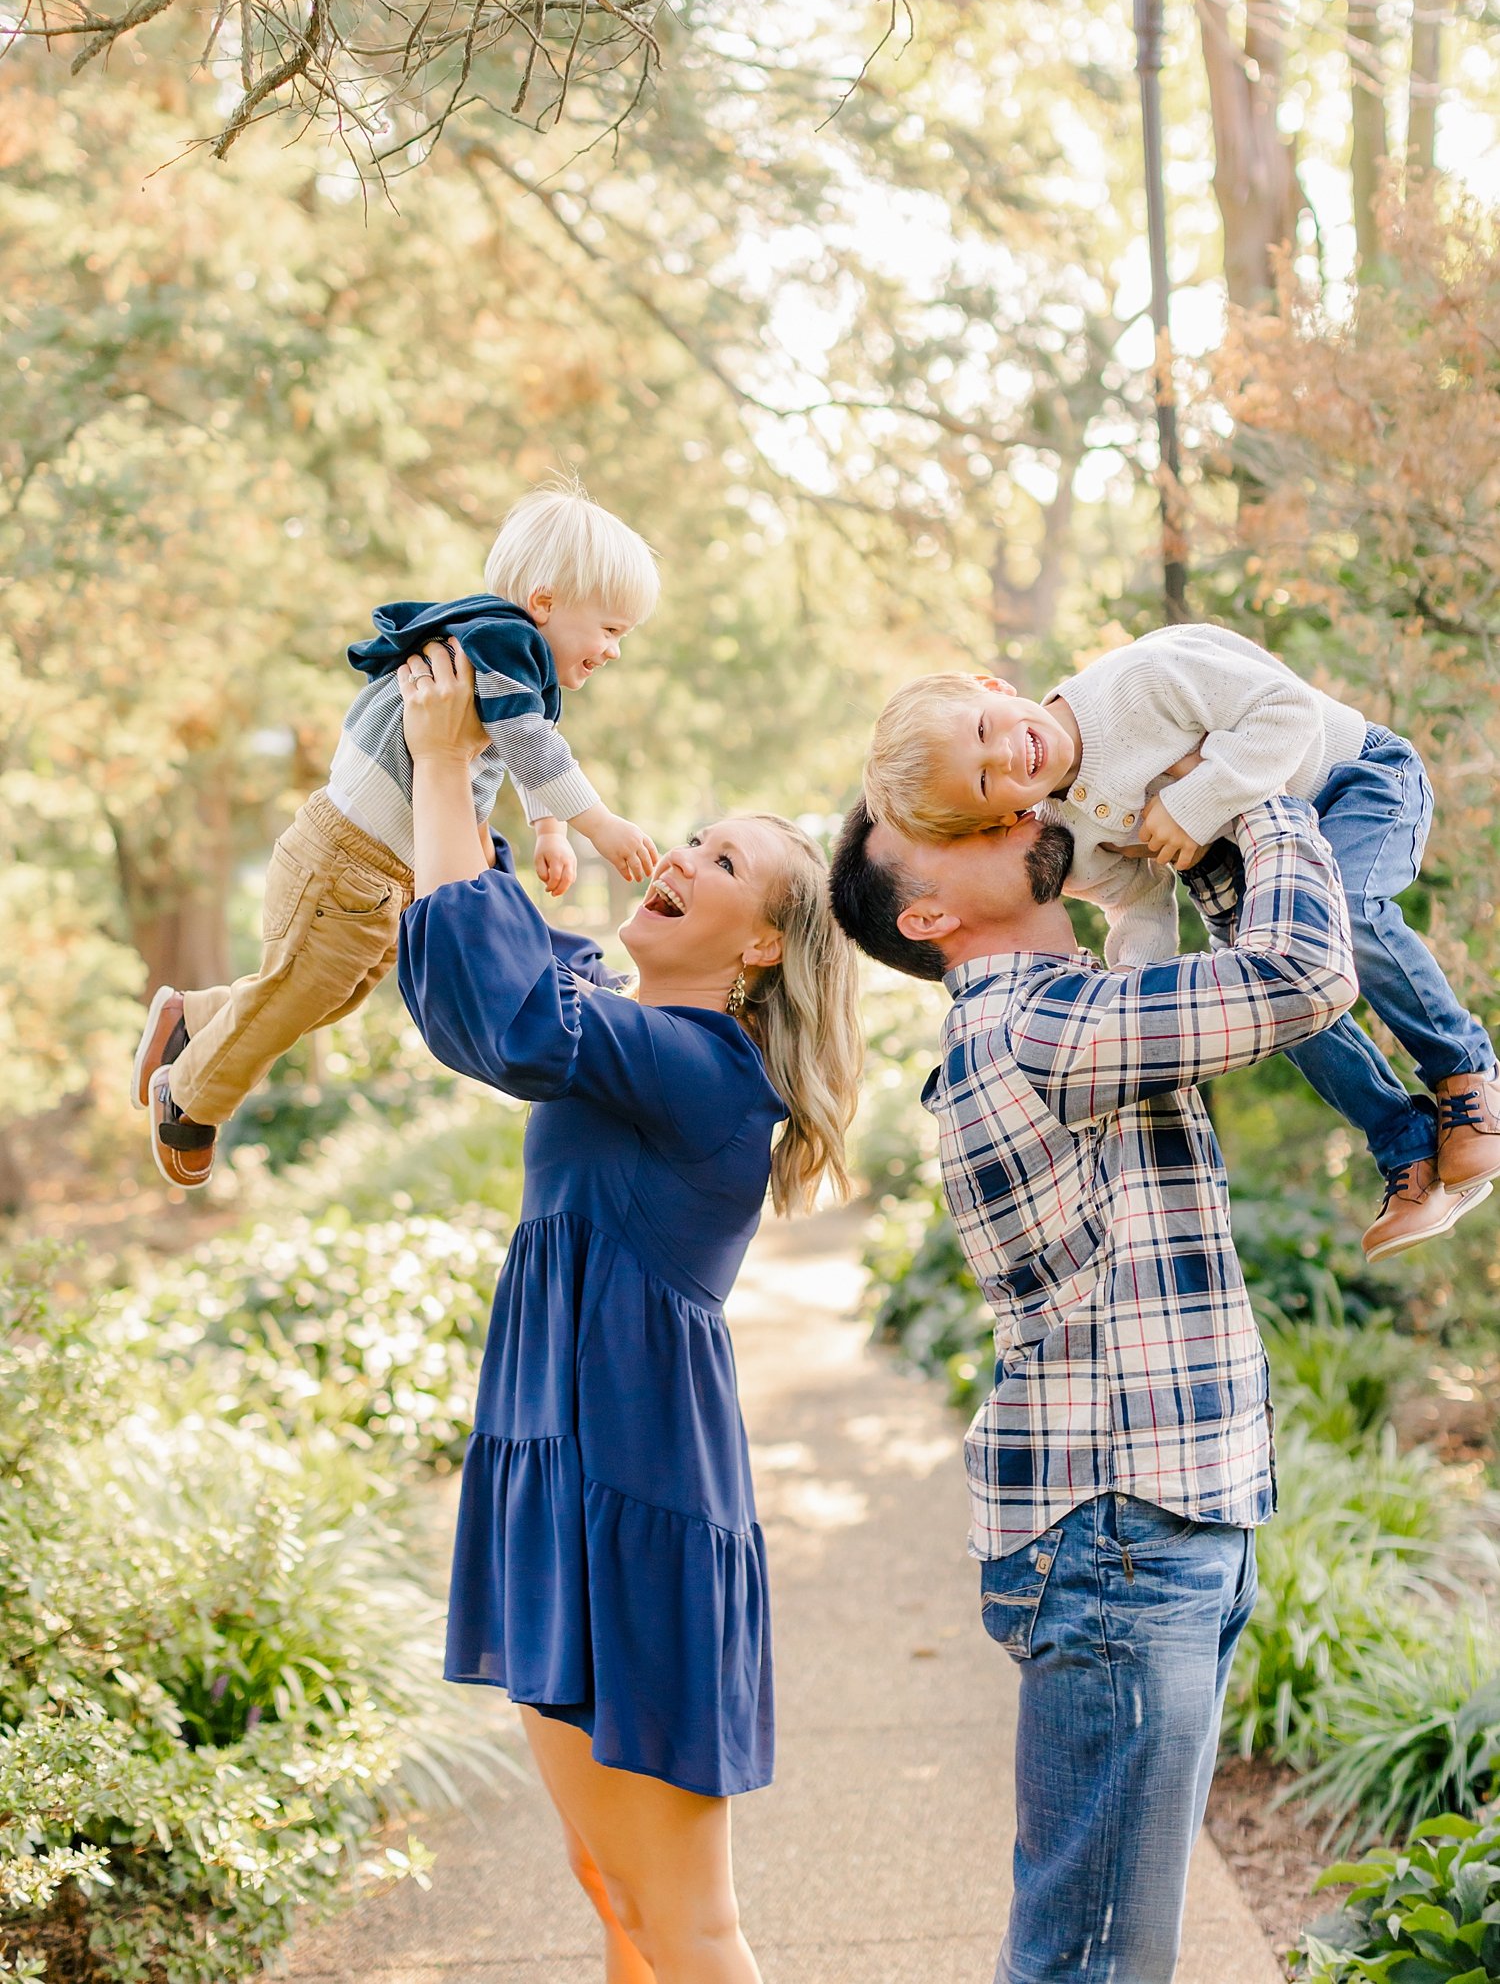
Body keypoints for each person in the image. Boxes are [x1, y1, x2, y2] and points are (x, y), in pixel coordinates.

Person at [828, 788, 1359, 1984]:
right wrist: (1260, 794)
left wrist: (1147, 867)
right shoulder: (1040, 1026)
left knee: (1099, 1950)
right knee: (1095, 1963)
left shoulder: (1073, 1014)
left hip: (1158, 1521)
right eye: (955, 832)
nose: (1000, 814)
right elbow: (1302, 977)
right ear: (925, 919)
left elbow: (1199, 965)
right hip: (1127, 1537)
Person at [396, 637, 863, 1984]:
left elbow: (511, 1011)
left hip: (638, 1490)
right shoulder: (619, 1012)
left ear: (765, 944)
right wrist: (468, 780)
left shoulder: (712, 1072)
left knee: (688, 1921)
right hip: (560, 1469)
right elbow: (464, 973)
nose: (678, 859)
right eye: (694, 838)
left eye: (721, 865)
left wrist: (444, 763)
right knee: (608, 1886)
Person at [860, 624, 1500, 1259]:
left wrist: (1196, 802)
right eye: (982, 780)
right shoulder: (1069, 838)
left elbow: (1288, 709)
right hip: (1261, 867)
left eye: (980, 729)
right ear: (1001, 818)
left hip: (1353, 780)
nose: (1002, 755)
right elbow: (1135, 902)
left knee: (1351, 914)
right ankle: (1404, 1142)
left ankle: (1466, 1077)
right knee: (1285, 1014)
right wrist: (1136, 989)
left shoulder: (1138, 683)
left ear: (991, 686)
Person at [132, 484, 660, 1189]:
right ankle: (189, 1098)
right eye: (612, 630)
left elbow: (525, 751)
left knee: (328, 996)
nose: (614, 651)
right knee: (297, 991)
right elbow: (536, 747)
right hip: (344, 860)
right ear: (544, 604)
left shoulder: (511, 669)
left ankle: (191, 1018)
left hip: (378, 874)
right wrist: (600, 825)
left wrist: (549, 831)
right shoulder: (500, 641)